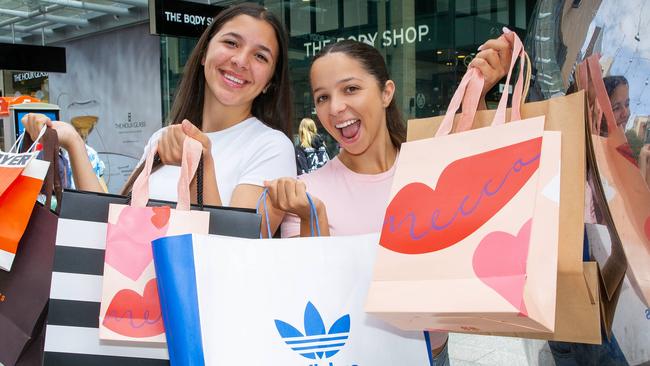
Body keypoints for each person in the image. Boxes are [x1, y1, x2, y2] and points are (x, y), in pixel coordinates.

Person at [264, 30, 515, 364]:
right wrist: (313, 218)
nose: (336, 107)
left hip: (433, 355)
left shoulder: (432, 165)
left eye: (350, 88)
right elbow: (313, 299)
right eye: (322, 97)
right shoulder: (306, 192)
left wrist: (481, 92)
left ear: (386, 92)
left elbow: (483, 201)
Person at [23, 2, 296, 235]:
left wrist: (201, 166)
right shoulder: (163, 137)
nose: (240, 60)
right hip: (133, 294)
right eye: (231, 43)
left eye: (260, 56)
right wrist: (73, 143)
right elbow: (109, 223)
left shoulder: (271, 147)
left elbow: (235, 252)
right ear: (203, 54)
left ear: (270, 82)